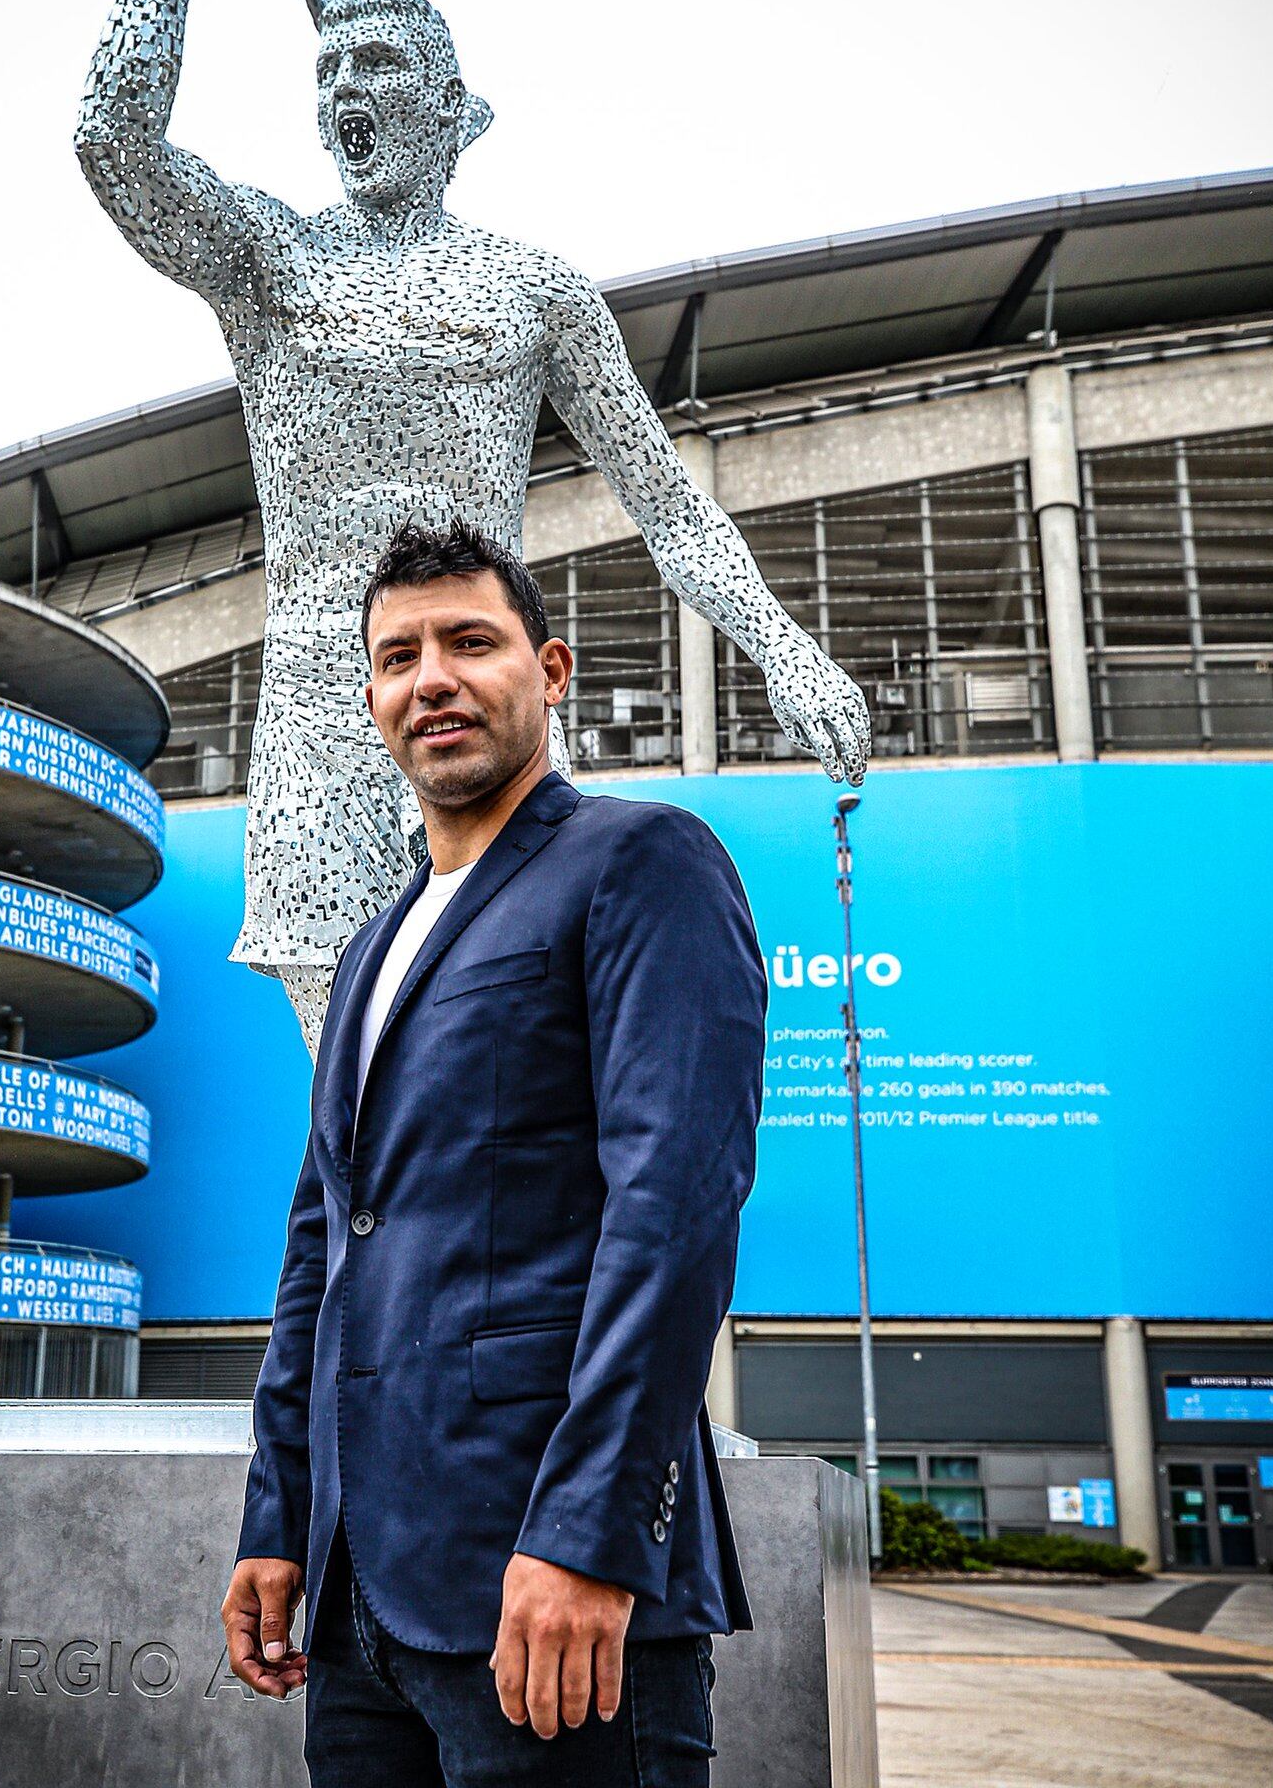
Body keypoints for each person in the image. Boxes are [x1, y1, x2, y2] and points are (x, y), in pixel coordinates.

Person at [76, 0, 868, 1053]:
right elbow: (113, 137)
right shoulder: (271, 262)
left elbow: (667, 504)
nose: (346, 83)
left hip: (481, 706)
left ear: (456, 112)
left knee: (495, 1076)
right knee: (356, 1107)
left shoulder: (533, 287)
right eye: (329, 66)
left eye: (378, 62)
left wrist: (785, 649)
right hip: (323, 735)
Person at [222, 520, 767, 1786]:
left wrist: (590, 1530)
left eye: (472, 641)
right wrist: (281, 1510)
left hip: (551, 1585)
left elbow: (674, 1207)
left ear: (553, 669)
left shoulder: (641, 860)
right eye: (397, 656)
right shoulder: (370, 946)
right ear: (369, 697)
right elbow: (324, 1248)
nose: (433, 679)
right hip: (359, 1606)